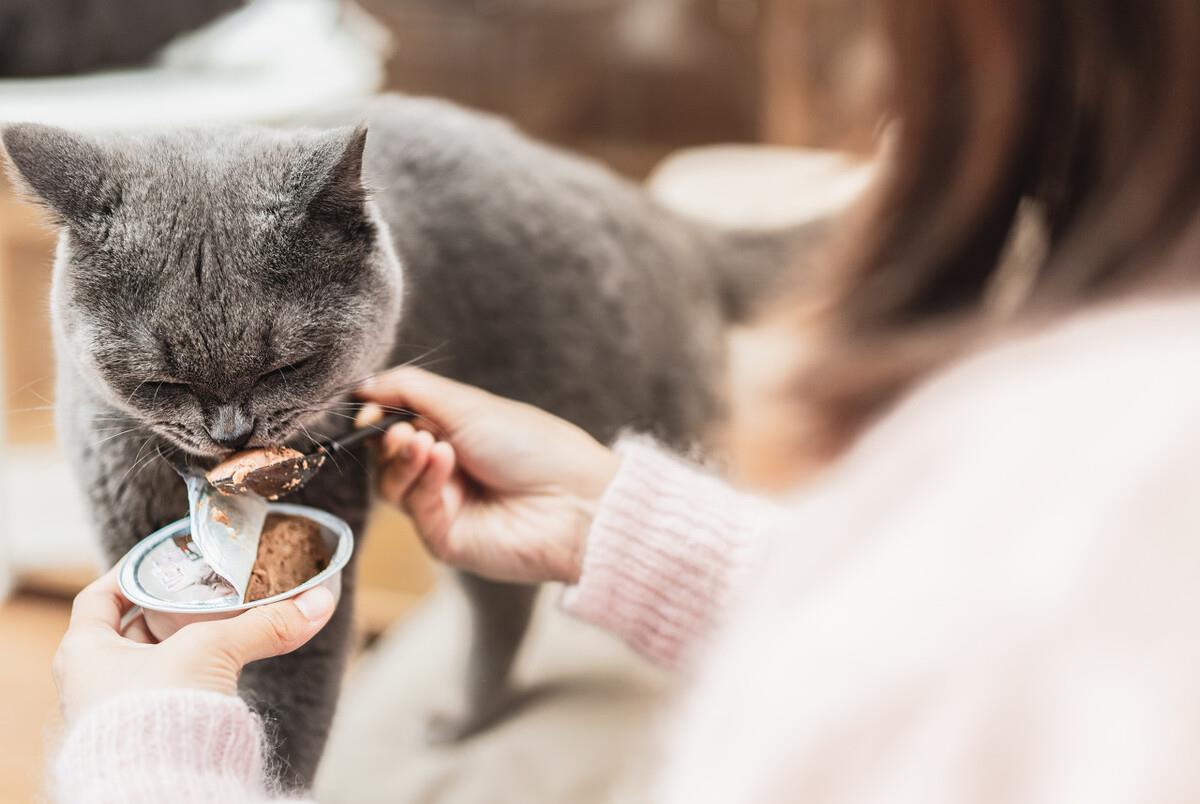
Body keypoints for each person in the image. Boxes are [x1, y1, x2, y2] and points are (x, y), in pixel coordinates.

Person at [49, 0, 1200, 801]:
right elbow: (908, 635)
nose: (231, 431)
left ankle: (493, 663)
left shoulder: (1103, 492)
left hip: (558, 262)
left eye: (280, 378)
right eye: (164, 384)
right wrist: (629, 525)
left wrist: (139, 757)